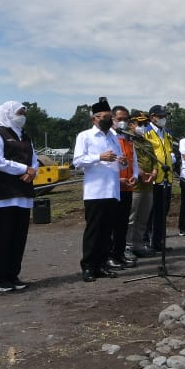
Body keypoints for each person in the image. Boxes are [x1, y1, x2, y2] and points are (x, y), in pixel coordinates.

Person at [0, 101, 39, 293]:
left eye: (23, 113)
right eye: (19, 112)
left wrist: (33, 171)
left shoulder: (25, 136)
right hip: (4, 193)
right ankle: (0, 278)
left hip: (23, 194)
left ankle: (13, 275)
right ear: (8, 114)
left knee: (19, 237)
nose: (22, 116)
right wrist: (24, 169)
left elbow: (34, 158)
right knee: (3, 237)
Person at [72, 99, 124, 282]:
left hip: (112, 190)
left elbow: (118, 159)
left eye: (110, 117)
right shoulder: (85, 136)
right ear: (94, 119)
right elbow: (77, 162)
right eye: (104, 117)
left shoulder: (113, 136)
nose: (108, 120)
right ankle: (88, 266)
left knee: (107, 231)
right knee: (94, 231)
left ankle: (102, 264)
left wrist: (121, 161)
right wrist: (98, 157)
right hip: (95, 191)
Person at [109, 104, 139, 268]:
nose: (123, 122)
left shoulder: (128, 137)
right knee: (112, 225)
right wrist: (117, 179)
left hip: (128, 186)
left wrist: (135, 176)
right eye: (120, 119)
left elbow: (134, 160)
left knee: (122, 224)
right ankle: (110, 255)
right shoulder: (109, 137)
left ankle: (119, 254)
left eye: (126, 119)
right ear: (112, 119)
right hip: (114, 187)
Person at [144, 104, 176, 252]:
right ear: (152, 117)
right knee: (150, 212)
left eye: (165, 117)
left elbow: (169, 151)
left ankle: (158, 242)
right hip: (154, 178)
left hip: (167, 178)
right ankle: (144, 242)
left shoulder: (167, 133)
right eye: (161, 116)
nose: (163, 119)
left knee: (163, 211)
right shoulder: (146, 133)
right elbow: (145, 156)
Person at [126, 109, 158, 257]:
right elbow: (128, 161)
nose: (143, 126)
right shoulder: (126, 140)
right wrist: (139, 173)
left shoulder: (147, 143)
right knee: (131, 218)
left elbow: (154, 162)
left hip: (148, 185)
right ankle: (127, 246)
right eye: (140, 123)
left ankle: (138, 245)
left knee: (143, 218)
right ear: (131, 124)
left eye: (145, 123)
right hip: (134, 185)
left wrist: (154, 172)